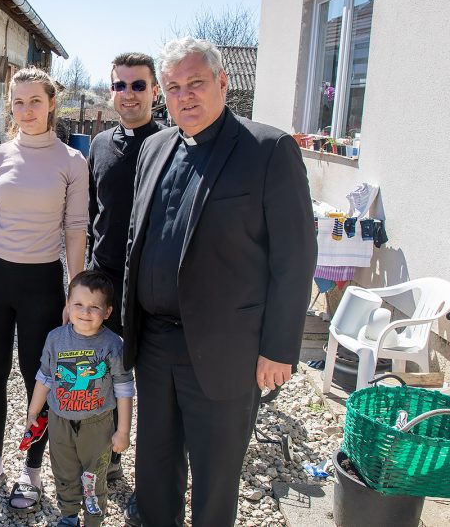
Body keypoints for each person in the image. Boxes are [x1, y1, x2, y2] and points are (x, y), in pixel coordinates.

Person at [122, 37, 316, 526]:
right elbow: (135, 240)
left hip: (227, 347)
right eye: (173, 87)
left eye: (195, 83)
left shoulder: (268, 151)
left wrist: (279, 348)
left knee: (215, 478)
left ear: (223, 83)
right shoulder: (155, 147)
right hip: (155, 343)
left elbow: (295, 260)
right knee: (155, 467)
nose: (184, 96)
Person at [0, 66, 89, 514]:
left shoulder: (72, 162)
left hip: (41, 284)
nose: (26, 110)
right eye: (18, 102)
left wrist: (76, 296)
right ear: (8, 106)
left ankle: (31, 471)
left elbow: (75, 231)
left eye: (35, 101)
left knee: (41, 380)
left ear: (52, 103)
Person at [86, 51, 161, 492]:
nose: (128, 94)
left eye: (138, 85)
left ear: (154, 90)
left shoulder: (171, 143)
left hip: (151, 284)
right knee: (105, 374)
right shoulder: (98, 146)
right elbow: (94, 212)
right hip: (106, 280)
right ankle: (107, 457)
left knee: (148, 378)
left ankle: (152, 474)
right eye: (120, 85)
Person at [26, 270, 133, 527]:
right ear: (67, 304)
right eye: (79, 304)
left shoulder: (113, 344)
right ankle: (69, 516)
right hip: (59, 420)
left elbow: (124, 388)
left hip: (97, 424)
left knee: (94, 475)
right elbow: (45, 377)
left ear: (107, 312)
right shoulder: (55, 338)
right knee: (64, 471)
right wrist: (33, 412)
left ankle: (94, 520)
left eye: (94, 306)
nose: (85, 312)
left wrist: (123, 431)